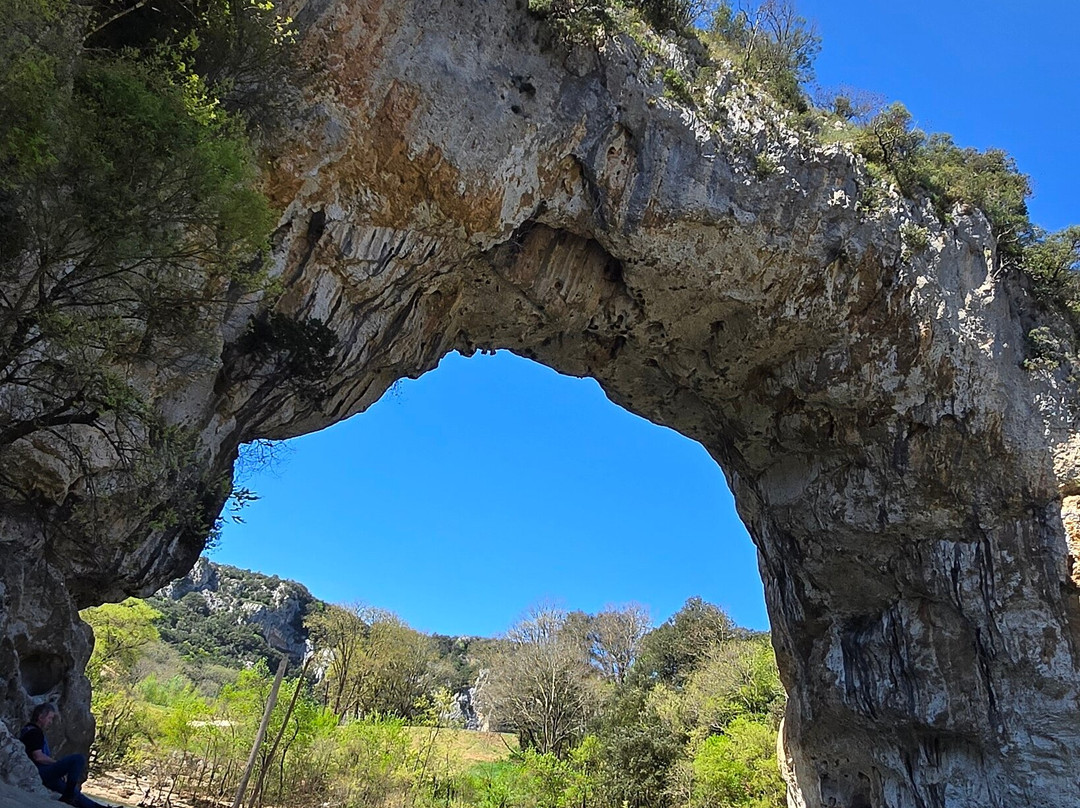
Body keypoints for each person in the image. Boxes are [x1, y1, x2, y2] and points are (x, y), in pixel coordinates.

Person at [19, 703, 110, 808]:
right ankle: (68, 796)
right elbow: (38, 756)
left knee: (75, 792)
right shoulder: (35, 733)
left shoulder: (27, 729)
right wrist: (58, 765)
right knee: (78, 759)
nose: (50, 722)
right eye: (50, 718)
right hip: (39, 772)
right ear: (40, 717)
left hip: (42, 773)